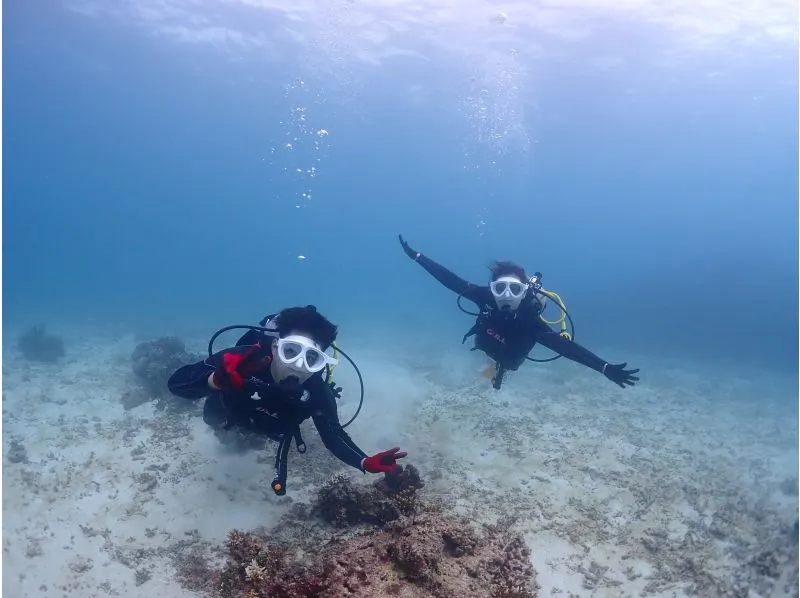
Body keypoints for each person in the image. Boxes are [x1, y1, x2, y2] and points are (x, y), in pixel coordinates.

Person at [167, 305, 406, 495]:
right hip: (229, 411)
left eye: (311, 358)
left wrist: (364, 462)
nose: (298, 366)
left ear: (320, 362)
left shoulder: (317, 390)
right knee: (214, 421)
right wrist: (214, 381)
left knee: (261, 437)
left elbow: (333, 436)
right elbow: (176, 383)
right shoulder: (243, 360)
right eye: (290, 351)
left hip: (272, 428)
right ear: (274, 346)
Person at [398, 234, 640, 391]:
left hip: (511, 358)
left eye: (514, 289)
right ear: (492, 288)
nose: (506, 295)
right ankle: (492, 374)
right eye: (500, 288)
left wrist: (604, 368)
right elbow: (450, 280)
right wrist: (417, 257)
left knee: (501, 368)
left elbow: (566, 348)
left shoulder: (530, 319)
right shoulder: (485, 296)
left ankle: (497, 374)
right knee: (488, 366)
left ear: (524, 291)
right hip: (486, 344)